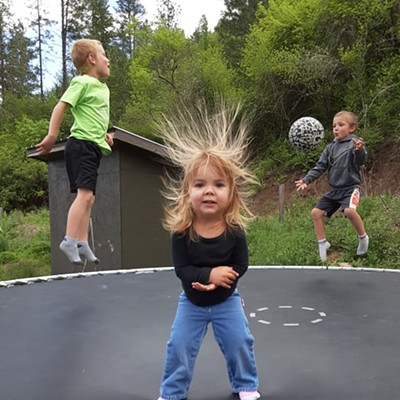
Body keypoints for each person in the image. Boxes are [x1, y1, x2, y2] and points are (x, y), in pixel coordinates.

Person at [156, 102, 261, 400]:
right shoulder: (182, 232)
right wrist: (207, 275)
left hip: (227, 300)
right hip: (191, 301)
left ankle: (246, 385)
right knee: (178, 345)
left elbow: (241, 264)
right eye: (200, 184)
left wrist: (223, 279)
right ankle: (172, 392)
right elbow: (182, 270)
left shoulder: (234, 230)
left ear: (231, 194)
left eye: (218, 184)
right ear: (188, 193)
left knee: (241, 341)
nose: (209, 191)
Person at [36, 39, 113, 265]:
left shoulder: (101, 87)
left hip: (91, 145)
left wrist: (104, 134)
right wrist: (52, 135)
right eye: (103, 54)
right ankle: (69, 239)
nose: (107, 60)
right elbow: (61, 106)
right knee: (85, 195)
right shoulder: (82, 82)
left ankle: (82, 242)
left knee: (89, 199)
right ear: (91, 59)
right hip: (81, 145)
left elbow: (94, 117)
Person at [295, 110, 369, 263]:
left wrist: (359, 150)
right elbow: (320, 166)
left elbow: (360, 161)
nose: (336, 128)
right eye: (334, 125)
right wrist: (306, 180)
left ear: (352, 128)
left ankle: (363, 238)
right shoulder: (330, 148)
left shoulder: (355, 144)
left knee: (349, 211)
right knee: (316, 213)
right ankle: (323, 243)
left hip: (351, 188)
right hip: (335, 190)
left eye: (341, 125)